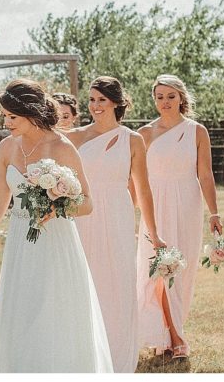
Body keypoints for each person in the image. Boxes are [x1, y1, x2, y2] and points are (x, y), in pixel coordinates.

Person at [0, 78, 112, 373]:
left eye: (13, 117)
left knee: (52, 315)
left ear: (32, 113)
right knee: (19, 316)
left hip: (56, 243)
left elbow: (87, 203)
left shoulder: (62, 147)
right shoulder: (6, 147)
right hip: (20, 244)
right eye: (5, 116)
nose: (7, 123)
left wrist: (57, 207)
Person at [64, 76, 163, 373]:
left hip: (118, 215)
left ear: (117, 103)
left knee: (118, 282)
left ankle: (117, 356)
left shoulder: (133, 139)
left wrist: (153, 233)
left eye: (101, 100)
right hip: (83, 214)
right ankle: (84, 353)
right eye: (92, 100)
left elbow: (143, 189)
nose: (95, 106)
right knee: (84, 281)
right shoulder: (75, 137)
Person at [135, 74, 221, 359]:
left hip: (187, 202)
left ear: (181, 98)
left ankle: (172, 332)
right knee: (157, 269)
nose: (165, 102)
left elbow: (205, 174)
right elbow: (134, 178)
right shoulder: (144, 134)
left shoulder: (197, 131)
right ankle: (173, 337)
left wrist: (214, 212)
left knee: (182, 270)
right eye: (159, 97)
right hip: (155, 203)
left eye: (171, 96)